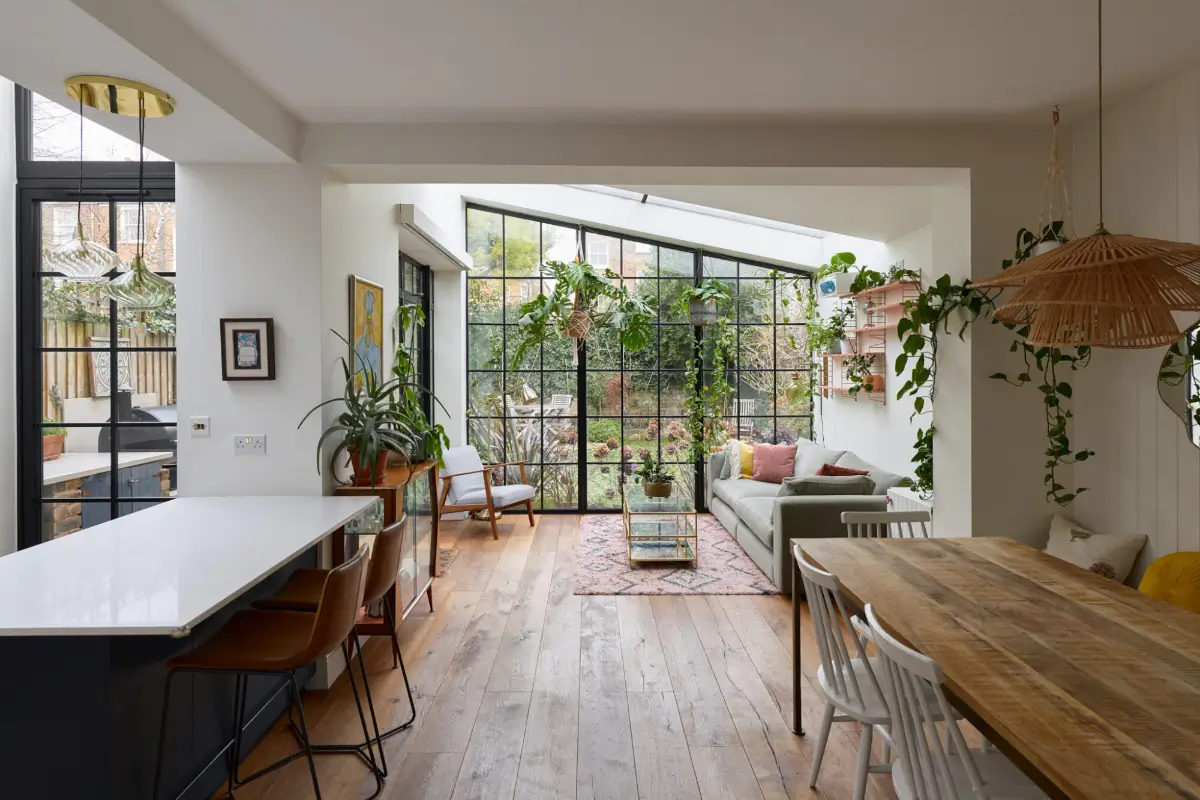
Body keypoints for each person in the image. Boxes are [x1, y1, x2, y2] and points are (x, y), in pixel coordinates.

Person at [353, 288, 382, 388]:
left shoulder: (377, 349)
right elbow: (357, 367)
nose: (370, 327)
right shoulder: (360, 344)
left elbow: (377, 371)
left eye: (371, 324)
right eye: (368, 324)